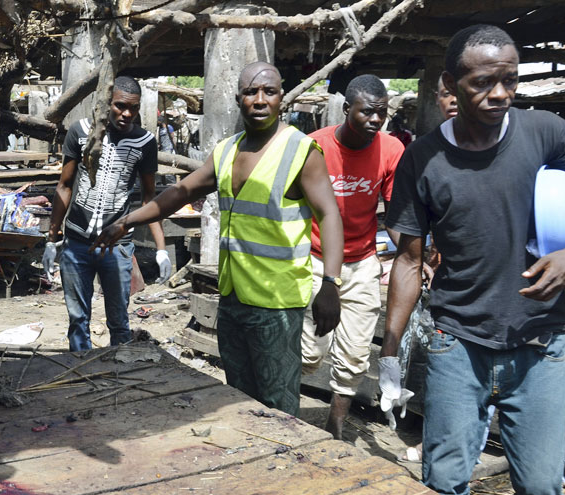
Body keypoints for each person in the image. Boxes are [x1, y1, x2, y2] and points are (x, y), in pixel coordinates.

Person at [382, 24, 565, 495]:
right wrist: (389, 351)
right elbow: (408, 262)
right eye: (481, 83)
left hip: (539, 343)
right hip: (457, 342)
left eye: (509, 81)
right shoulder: (422, 159)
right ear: (450, 84)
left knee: (542, 491)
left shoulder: (545, 132)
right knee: (442, 488)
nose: (499, 94)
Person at [93, 62, 343, 415]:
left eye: (268, 92)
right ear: (238, 98)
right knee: (239, 398)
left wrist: (331, 282)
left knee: (278, 403)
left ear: (281, 98)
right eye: (250, 92)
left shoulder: (300, 151)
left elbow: (330, 214)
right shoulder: (226, 151)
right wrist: (127, 221)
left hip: (277, 302)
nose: (259, 100)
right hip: (232, 295)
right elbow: (180, 192)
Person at [301, 75, 405, 439]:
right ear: (347, 110)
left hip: (362, 261)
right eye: (367, 113)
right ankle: (283, 411)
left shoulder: (391, 150)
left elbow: (393, 214)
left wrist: (412, 254)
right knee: (309, 352)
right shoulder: (314, 147)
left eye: (382, 113)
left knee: (355, 355)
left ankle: (336, 426)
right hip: (314, 258)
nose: (376, 121)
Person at [43, 76, 172, 351]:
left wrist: (161, 248)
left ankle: (119, 377)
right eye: (120, 106)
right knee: (78, 319)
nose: (126, 114)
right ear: (106, 103)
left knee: (119, 321)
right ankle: (81, 374)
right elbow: (64, 187)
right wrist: (51, 240)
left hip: (117, 245)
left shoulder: (145, 142)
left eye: (133, 109)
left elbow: (149, 197)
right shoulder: (80, 132)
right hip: (77, 241)